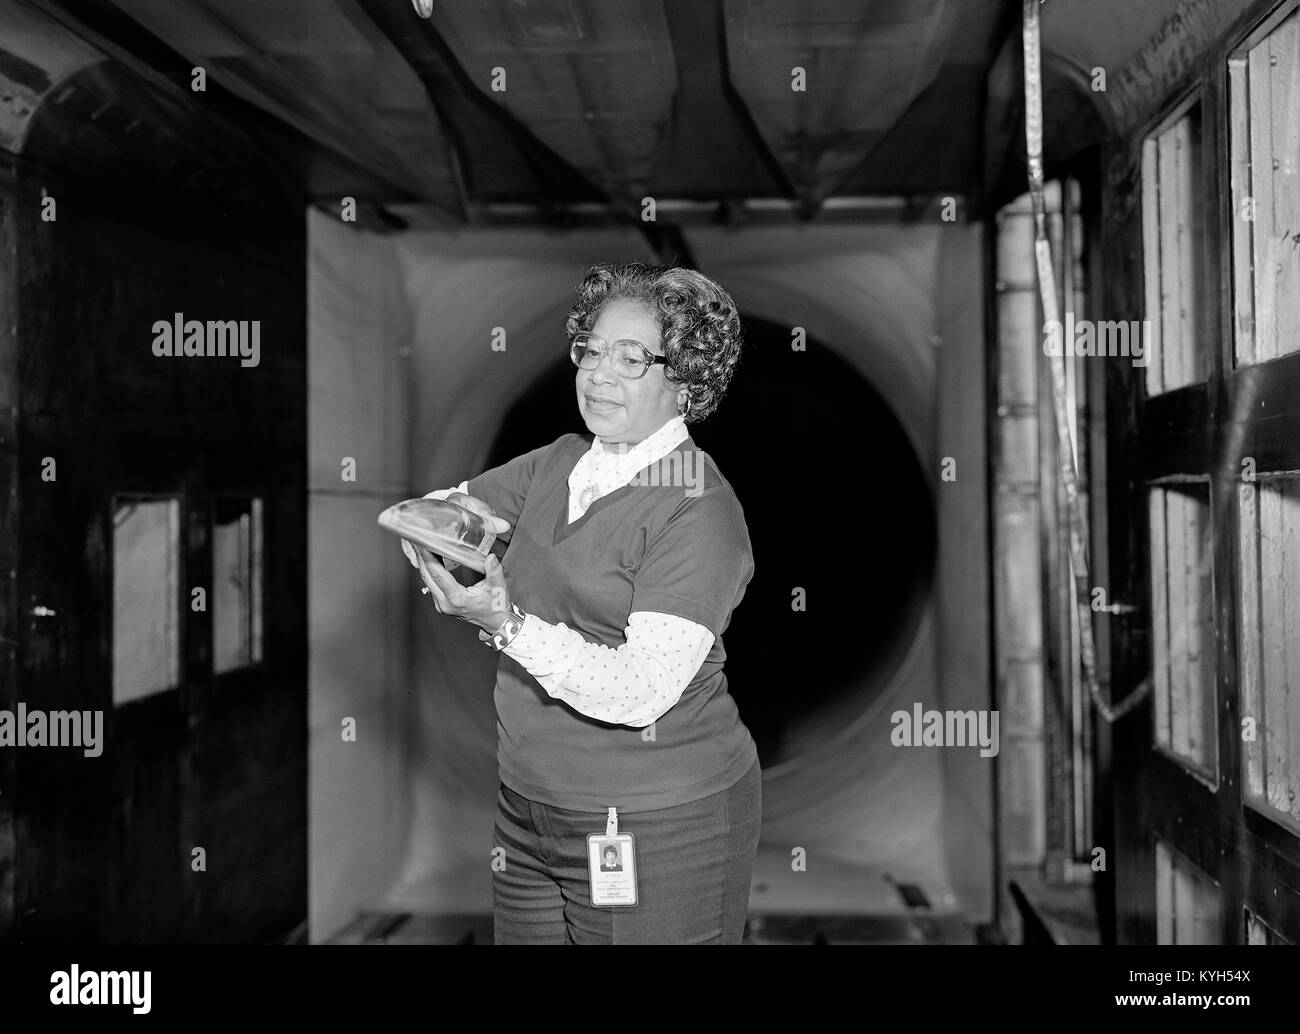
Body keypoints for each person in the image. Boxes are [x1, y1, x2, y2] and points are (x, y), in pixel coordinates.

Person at [403, 262, 759, 944]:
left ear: (685, 379)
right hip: (529, 809)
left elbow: (640, 690)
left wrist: (502, 622)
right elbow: (448, 510)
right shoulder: (558, 462)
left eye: (631, 359)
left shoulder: (700, 512)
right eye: (591, 350)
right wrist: (439, 532)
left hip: (660, 819)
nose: (598, 374)